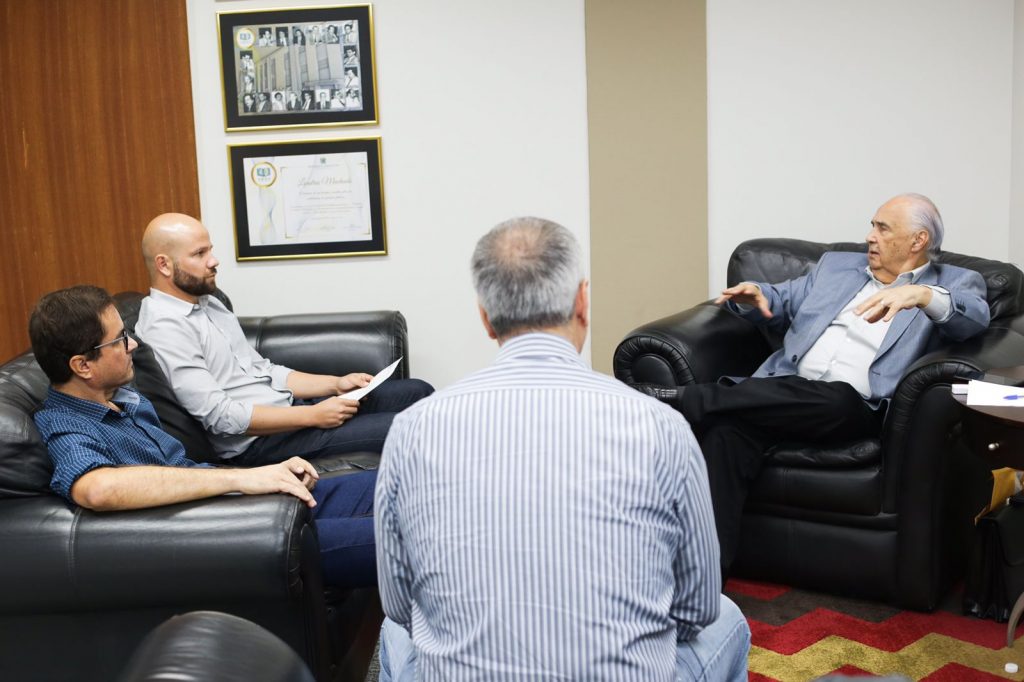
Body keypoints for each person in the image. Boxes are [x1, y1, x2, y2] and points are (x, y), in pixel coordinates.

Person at [375, 218, 750, 681]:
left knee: (393, 631)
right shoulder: (661, 427)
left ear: (485, 317)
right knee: (727, 614)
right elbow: (696, 607)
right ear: (582, 303)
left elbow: (398, 604)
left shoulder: (411, 430)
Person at [635, 193, 991, 573]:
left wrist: (920, 295)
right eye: (872, 225)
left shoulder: (954, 282)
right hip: (783, 392)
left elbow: (974, 319)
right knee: (726, 434)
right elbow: (782, 298)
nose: (870, 236)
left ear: (918, 241)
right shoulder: (836, 268)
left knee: (834, 397)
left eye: (883, 228)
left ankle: (683, 401)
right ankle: (702, 578)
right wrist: (754, 295)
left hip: (852, 407)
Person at [29, 285, 379, 588]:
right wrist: (244, 477)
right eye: (120, 340)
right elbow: (98, 489)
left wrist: (252, 480)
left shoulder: (124, 398)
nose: (134, 344)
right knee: (410, 539)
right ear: (82, 365)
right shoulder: (64, 424)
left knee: (397, 486)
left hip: (244, 502)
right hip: (237, 533)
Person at [135, 213, 433, 467]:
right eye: (199, 254)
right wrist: (313, 416)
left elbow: (264, 369)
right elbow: (220, 416)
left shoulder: (208, 302)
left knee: (418, 392)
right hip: (259, 443)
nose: (214, 261)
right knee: (412, 428)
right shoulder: (164, 327)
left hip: (291, 411)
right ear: (164, 265)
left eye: (209, 250)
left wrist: (335, 384)